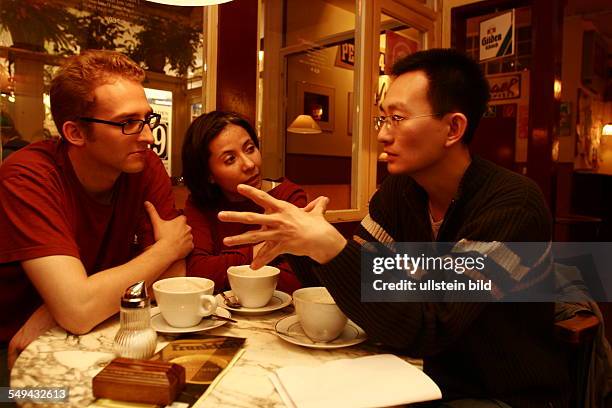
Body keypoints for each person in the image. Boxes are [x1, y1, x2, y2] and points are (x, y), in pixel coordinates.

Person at [218, 49, 571, 407]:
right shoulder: (401, 191)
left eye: (398, 118)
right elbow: (360, 285)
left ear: (453, 128)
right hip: (416, 374)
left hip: (496, 393)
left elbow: (433, 326)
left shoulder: (512, 204)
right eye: (382, 119)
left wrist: (331, 248)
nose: (384, 136)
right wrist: (303, 243)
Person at [0, 50, 193, 378]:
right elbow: (78, 309)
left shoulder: (142, 165)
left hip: (101, 333)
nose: (147, 137)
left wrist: (59, 307)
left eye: (146, 120)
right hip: (15, 349)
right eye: (127, 123)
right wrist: (165, 249)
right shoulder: (27, 176)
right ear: (75, 133)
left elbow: (173, 284)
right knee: (44, 400)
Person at [182, 111, 305, 294]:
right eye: (230, 159)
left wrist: (223, 270)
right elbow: (198, 274)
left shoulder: (288, 197)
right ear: (209, 175)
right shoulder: (200, 204)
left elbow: (292, 281)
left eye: (250, 149)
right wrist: (264, 249)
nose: (249, 164)